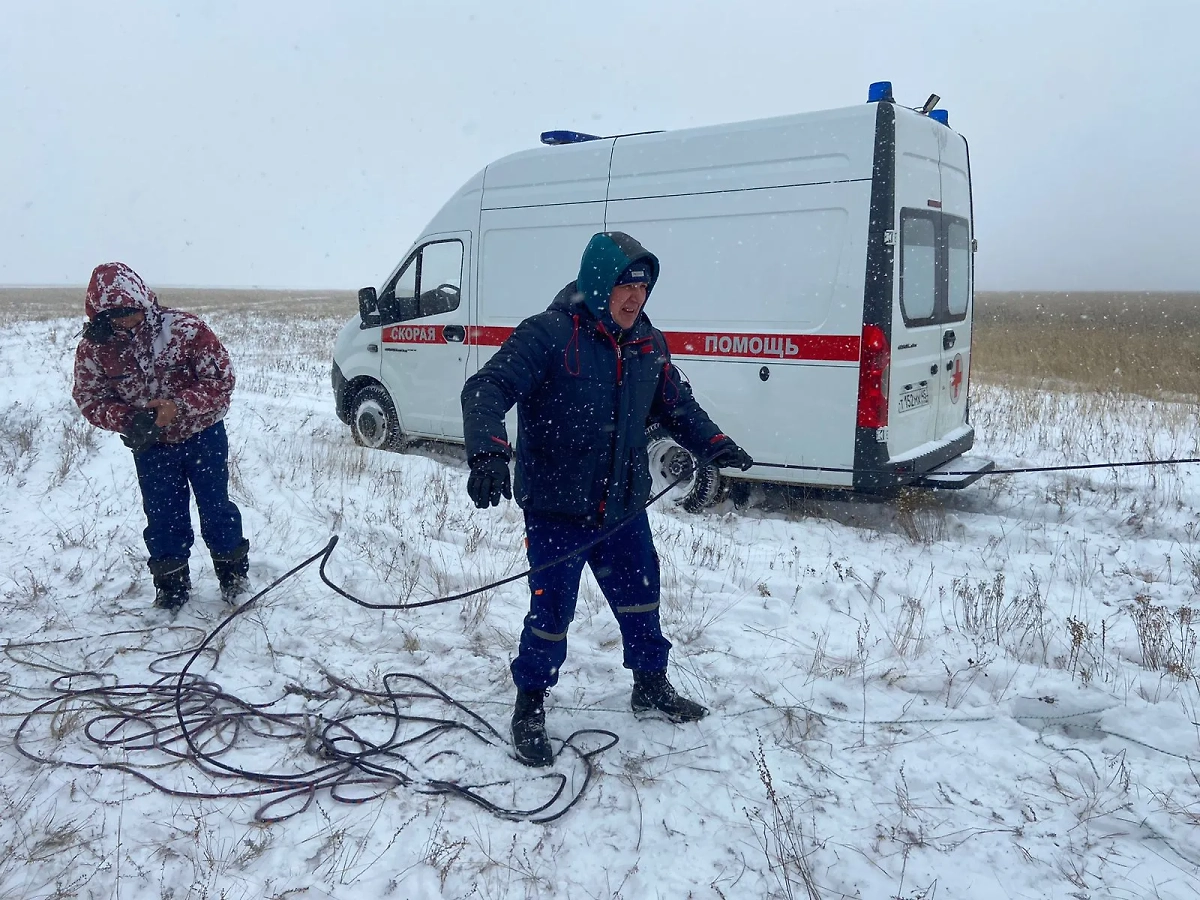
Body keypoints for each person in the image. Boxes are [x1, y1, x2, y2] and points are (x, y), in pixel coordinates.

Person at [461, 231, 754, 767]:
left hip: (622, 507)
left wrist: (714, 444)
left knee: (642, 599)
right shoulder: (547, 335)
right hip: (556, 508)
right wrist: (487, 452)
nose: (635, 298)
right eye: (625, 285)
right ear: (600, 283)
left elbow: (676, 405)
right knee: (550, 612)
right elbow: (487, 388)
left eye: (643, 288)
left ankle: (650, 684)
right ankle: (529, 704)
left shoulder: (649, 343)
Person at [71, 262, 250, 611]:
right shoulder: (95, 349)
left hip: (203, 436)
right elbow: (89, 397)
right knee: (163, 516)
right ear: (100, 314)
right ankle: (171, 588)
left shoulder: (185, 329)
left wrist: (176, 407)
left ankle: (233, 578)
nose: (125, 319)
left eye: (130, 310)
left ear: (143, 300)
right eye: (115, 314)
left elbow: (221, 382)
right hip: (151, 445)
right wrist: (128, 419)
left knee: (216, 508)